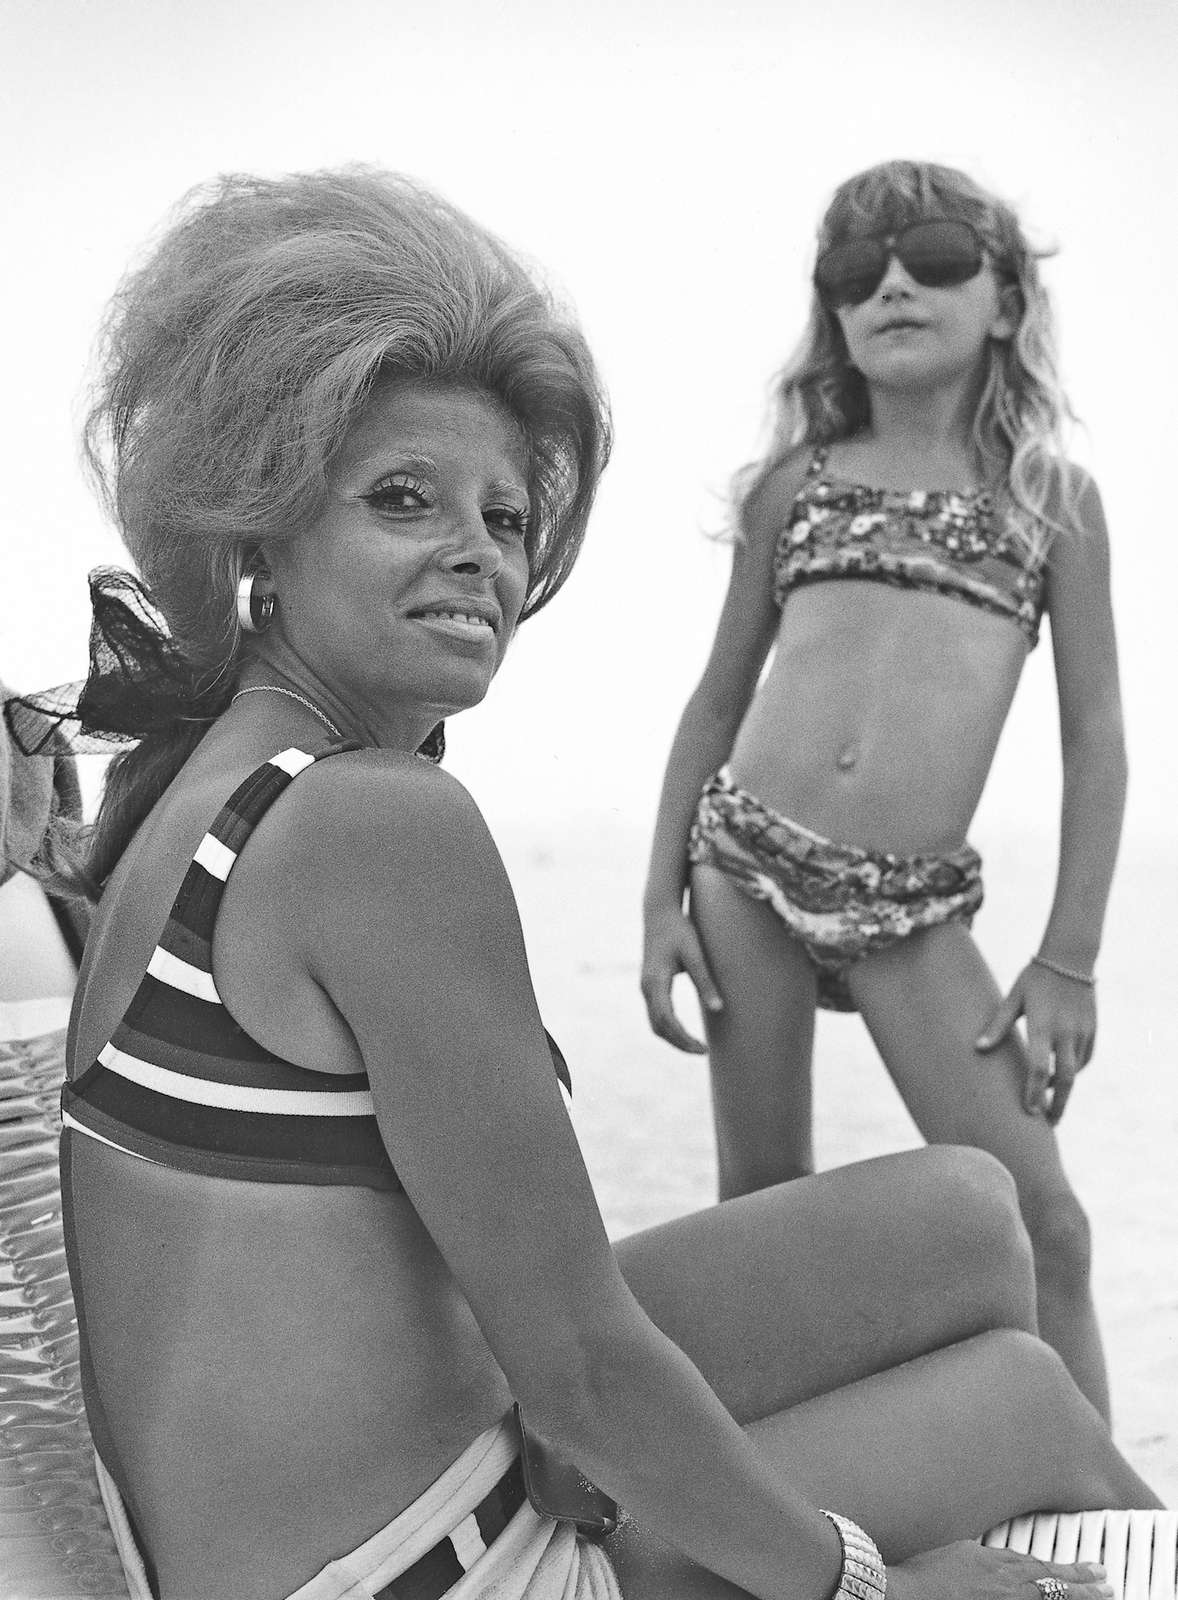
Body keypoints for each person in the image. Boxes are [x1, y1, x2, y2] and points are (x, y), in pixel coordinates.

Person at [33, 166, 1154, 1600]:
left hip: (392, 1483)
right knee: (1019, 1403)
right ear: (261, 528)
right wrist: (866, 1588)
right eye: (401, 501)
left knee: (973, 1213)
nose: (474, 558)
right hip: (440, 1568)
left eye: (505, 520)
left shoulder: (201, 784)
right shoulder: (374, 827)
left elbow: (500, 1316)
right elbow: (577, 1373)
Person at [640, 159, 1124, 1420]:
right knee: (764, 1213)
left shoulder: (1048, 502)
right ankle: (764, 1485)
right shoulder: (793, 487)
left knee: (1044, 1218)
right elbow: (712, 701)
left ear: (1006, 302)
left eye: (933, 258)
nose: (893, 284)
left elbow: (1095, 736)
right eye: (855, 273)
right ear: (832, 314)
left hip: (911, 906)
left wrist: (1066, 956)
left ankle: (1099, 1516)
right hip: (741, 866)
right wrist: (656, 905)